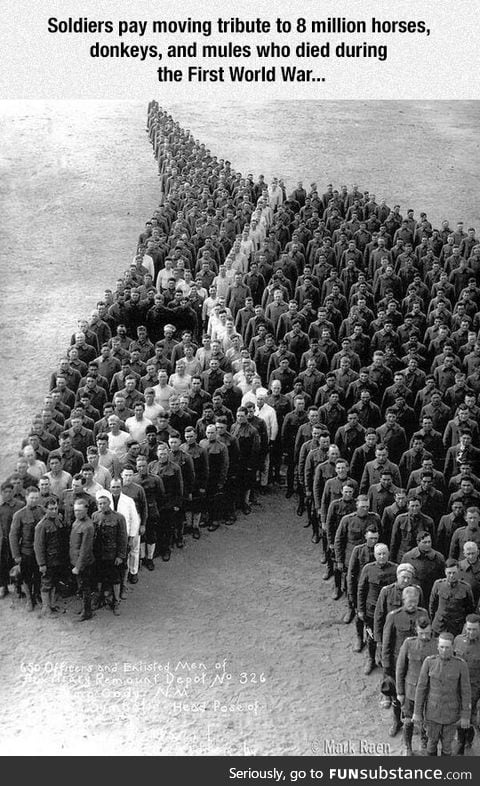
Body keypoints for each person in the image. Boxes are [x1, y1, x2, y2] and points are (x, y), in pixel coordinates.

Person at [382, 586, 430, 737]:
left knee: (419, 693)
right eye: (409, 602)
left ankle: (419, 723)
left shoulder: (423, 613)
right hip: (399, 663)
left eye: (415, 601)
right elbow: (387, 642)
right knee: (398, 694)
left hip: (418, 663)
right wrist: (387, 666)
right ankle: (397, 721)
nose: (412, 604)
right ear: (403, 601)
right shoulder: (394, 616)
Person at [413, 631, 471, 756]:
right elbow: (421, 688)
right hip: (432, 714)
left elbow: (466, 691)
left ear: (453, 648)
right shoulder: (429, 662)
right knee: (431, 742)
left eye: (448, 647)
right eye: (442, 647)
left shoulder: (461, 665)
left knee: (447, 745)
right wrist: (417, 713)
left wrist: (466, 715)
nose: (444, 650)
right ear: (437, 647)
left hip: (451, 714)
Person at [395, 618, 438, 755]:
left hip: (430, 691)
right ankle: (408, 747)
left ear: (431, 629)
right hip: (411, 690)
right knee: (408, 721)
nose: (425, 636)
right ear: (416, 631)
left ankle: (424, 741)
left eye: (427, 633)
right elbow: (400, 669)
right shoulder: (409, 643)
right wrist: (400, 692)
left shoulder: (437, 644)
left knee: (427, 719)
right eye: (421, 633)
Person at [9, 487, 45, 611]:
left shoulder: (42, 511)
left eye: (36, 498)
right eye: (32, 498)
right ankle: (30, 599)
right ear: (26, 497)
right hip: (26, 552)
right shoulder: (19, 515)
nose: (34, 500)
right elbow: (13, 536)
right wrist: (16, 555)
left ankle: (37, 595)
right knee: (26, 577)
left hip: (40, 552)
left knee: (39, 576)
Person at [92, 493, 128, 615]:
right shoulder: (95, 516)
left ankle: (116, 602)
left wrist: (120, 556)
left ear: (109, 504)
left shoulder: (119, 518)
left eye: (104, 503)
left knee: (115, 579)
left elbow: (123, 538)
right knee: (99, 577)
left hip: (112, 555)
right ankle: (99, 599)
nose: (102, 506)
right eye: (99, 504)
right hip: (99, 554)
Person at [33, 496, 68, 617]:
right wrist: (41, 564)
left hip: (57, 560)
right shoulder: (41, 526)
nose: (54, 511)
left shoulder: (58, 520)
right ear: (45, 510)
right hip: (48, 561)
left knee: (54, 582)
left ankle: (52, 605)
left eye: (56, 508)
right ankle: (46, 609)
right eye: (51, 509)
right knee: (46, 584)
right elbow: (38, 547)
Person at [69, 497, 95, 621]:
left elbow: (85, 549)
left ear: (86, 510)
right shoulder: (77, 522)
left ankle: (87, 612)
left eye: (80, 511)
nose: (77, 513)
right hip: (76, 561)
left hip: (83, 563)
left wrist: (78, 567)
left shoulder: (88, 526)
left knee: (85, 588)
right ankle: (85, 608)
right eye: (75, 510)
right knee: (81, 587)